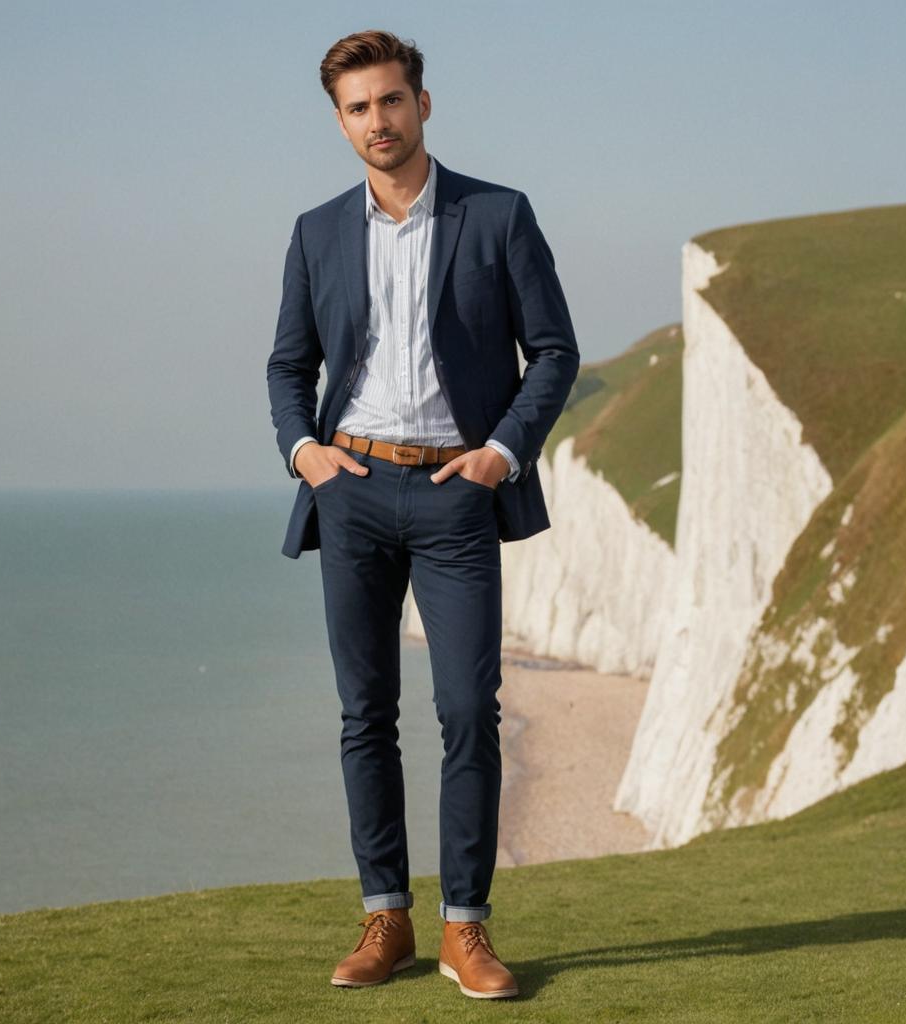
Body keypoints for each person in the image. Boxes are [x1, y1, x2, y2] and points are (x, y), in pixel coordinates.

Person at [267, 28, 579, 1000]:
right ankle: (385, 917)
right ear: (339, 121)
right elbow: (288, 365)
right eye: (358, 108)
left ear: (422, 104)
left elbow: (554, 351)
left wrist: (498, 453)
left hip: (455, 493)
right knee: (365, 713)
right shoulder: (317, 229)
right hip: (350, 489)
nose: (377, 121)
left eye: (390, 101)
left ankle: (467, 930)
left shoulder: (497, 214)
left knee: (463, 712)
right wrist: (305, 452)